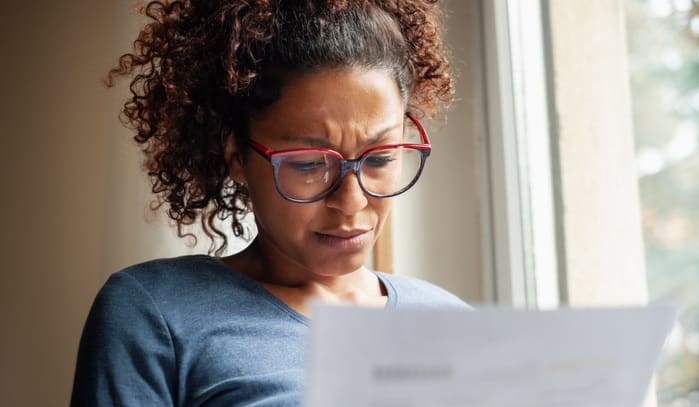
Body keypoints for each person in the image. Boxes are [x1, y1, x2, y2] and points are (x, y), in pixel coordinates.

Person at [71, 0, 467, 405]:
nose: (351, 201)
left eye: (381, 158)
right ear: (237, 157)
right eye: (310, 164)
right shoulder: (155, 314)